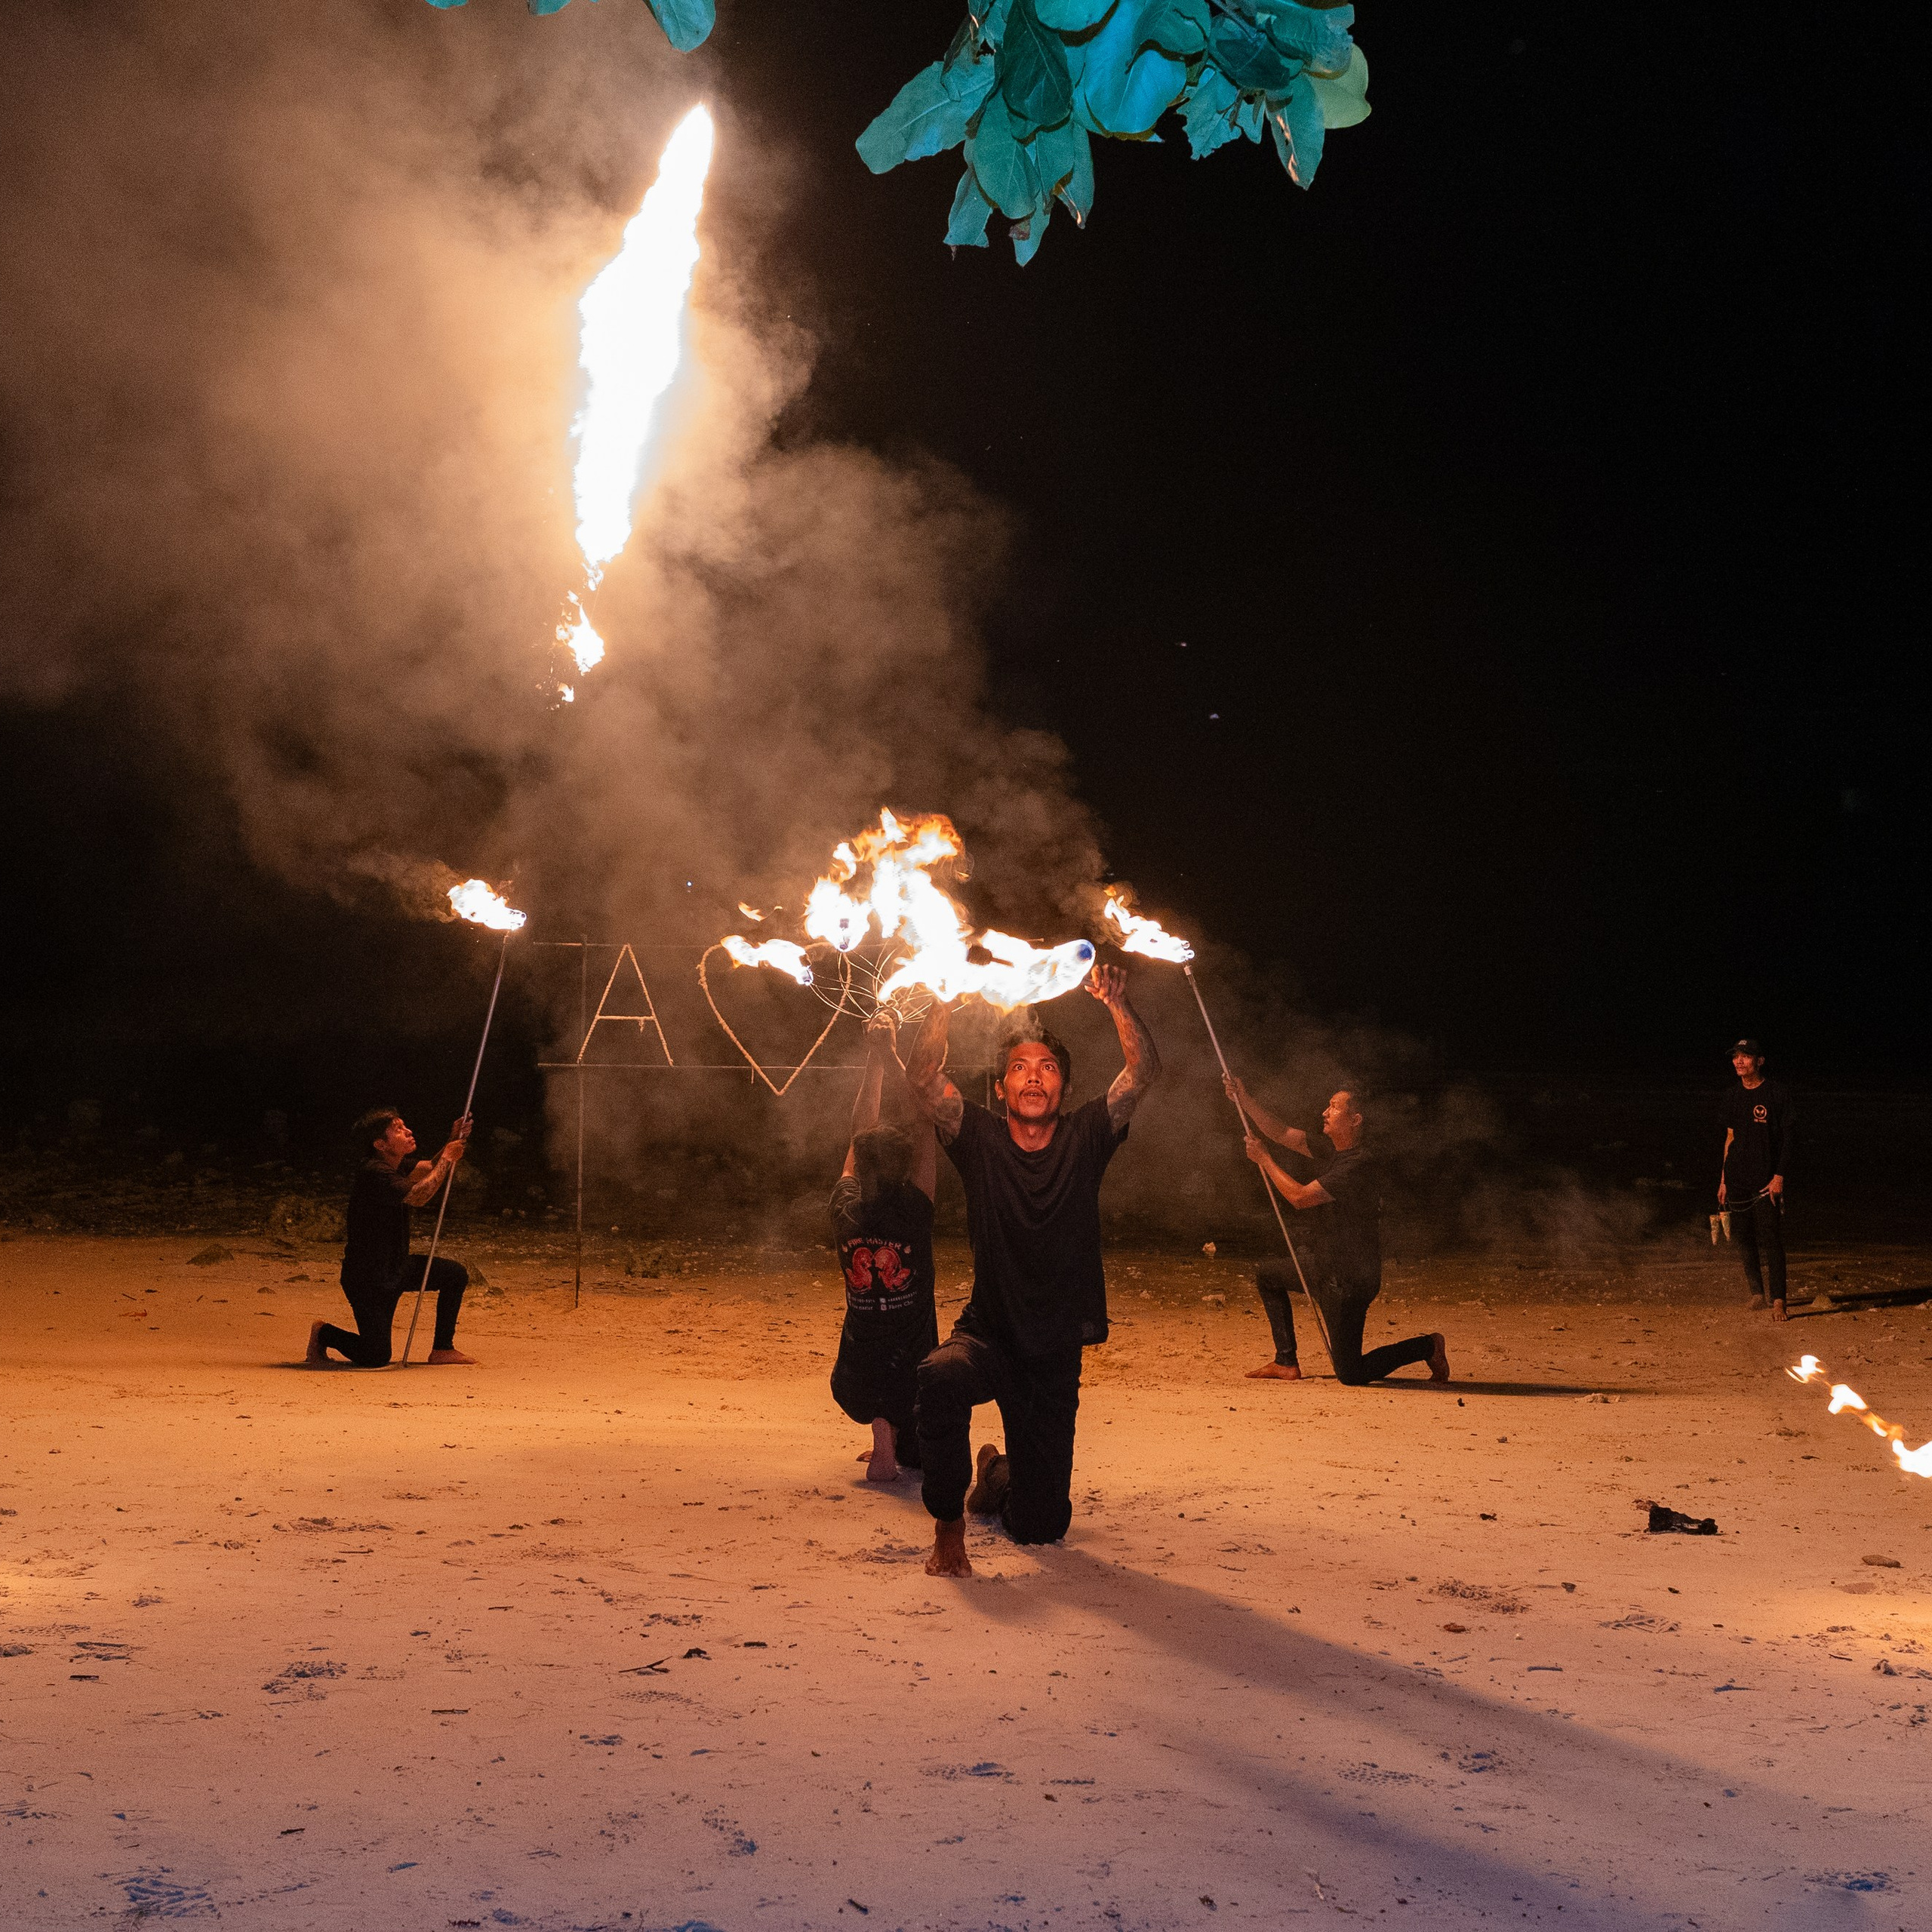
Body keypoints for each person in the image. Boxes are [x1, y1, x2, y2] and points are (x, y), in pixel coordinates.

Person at [904, 964, 1159, 1579]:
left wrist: (1117, 1003)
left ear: (1064, 1088)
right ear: (1000, 1088)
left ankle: (996, 1473)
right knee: (939, 1378)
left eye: (1047, 1067)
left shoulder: (1088, 1135)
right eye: (1020, 1066)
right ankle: (948, 1529)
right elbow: (922, 1078)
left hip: (1053, 1353)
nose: (1034, 1076)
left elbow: (1142, 1073)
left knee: (1041, 1529)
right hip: (989, 1334)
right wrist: (943, 999)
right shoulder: (980, 1139)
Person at [1223, 1075, 1447, 1387]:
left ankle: (1428, 1345)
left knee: (1351, 1374)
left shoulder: (1359, 1165)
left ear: (1355, 1120)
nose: (1324, 1113)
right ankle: (1286, 1361)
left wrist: (1265, 1161)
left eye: (1334, 1107)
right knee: (1268, 1275)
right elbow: (1283, 1133)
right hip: (1324, 1266)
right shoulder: (1334, 1151)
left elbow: (1299, 1198)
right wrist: (1243, 1100)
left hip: (1351, 1279)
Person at [829, 1011, 939, 1483]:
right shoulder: (916, 1208)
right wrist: (894, 1058)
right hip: (911, 1368)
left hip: (857, 1373)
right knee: (924, 1418)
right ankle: (891, 1431)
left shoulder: (846, 1208)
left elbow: (859, 1133)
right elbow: (922, 1121)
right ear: (907, 1166)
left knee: (880, 1373)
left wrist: (875, 1059)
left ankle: (881, 1430)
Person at [306, 1108, 475, 1367]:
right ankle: (324, 1333)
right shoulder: (374, 1172)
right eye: (398, 1129)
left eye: (404, 1126)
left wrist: (451, 1140)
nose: (408, 1132)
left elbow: (429, 1168)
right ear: (380, 1144)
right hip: (368, 1278)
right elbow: (420, 1194)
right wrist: (448, 1159)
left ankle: (443, 1348)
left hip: (397, 1266)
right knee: (375, 1356)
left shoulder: (395, 1165)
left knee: (455, 1274)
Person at [1718, 1038, 1795, 1321]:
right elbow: (1730, 1138)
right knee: (1744, 1237)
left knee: (1772, 1238)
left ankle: (1778, 1300)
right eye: (1736, 1056)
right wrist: (1723, 1180)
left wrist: (1779, 1177)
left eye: (1746, 1056)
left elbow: (1789, 1140)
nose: (1739, 1061)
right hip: (1737, 1177)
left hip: (1766, 1180)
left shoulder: (1777, 1093)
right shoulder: (1732, 1096)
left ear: (1759, 1061)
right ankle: (1756, 1294)